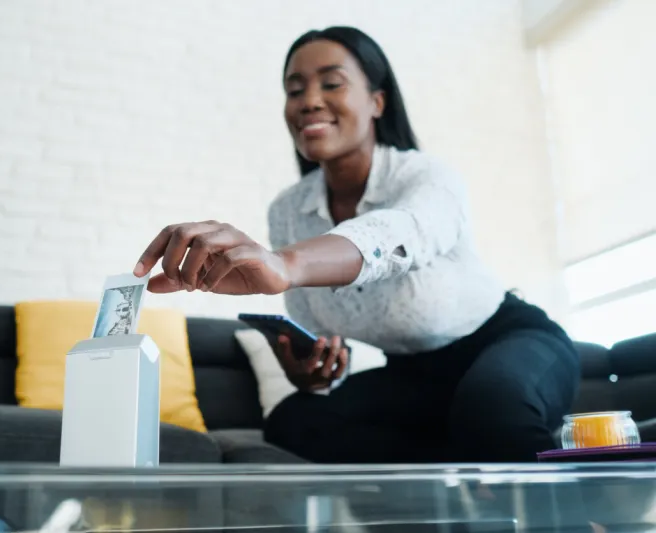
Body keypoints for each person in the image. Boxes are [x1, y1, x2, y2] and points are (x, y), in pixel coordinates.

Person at [133, 26, 580, 463]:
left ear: (377, 102)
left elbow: (401, 231)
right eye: (294, 90)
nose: (309, 101)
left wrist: (285, 263)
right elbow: (319, 334)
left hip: (507, 342)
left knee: (491, 408)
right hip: (414, 377)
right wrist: (309, 373)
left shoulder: (425, 177)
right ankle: (462, 480)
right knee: (295, 421)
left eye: (332, 83)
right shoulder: (288, 211)